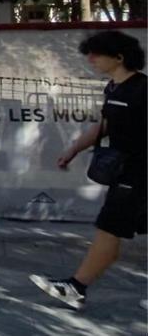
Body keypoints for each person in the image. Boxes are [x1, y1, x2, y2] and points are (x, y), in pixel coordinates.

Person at [31, 31, 146, 310]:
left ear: (119, 57)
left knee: (109, 228)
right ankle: (76, 287)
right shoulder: (113, 88)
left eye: (97, 53)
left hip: (138, 173)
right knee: (111, 228)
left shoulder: (142, 90)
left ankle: (75, 287)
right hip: (125, 173)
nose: (90, 59)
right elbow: (103, 126)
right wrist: (74, 149)